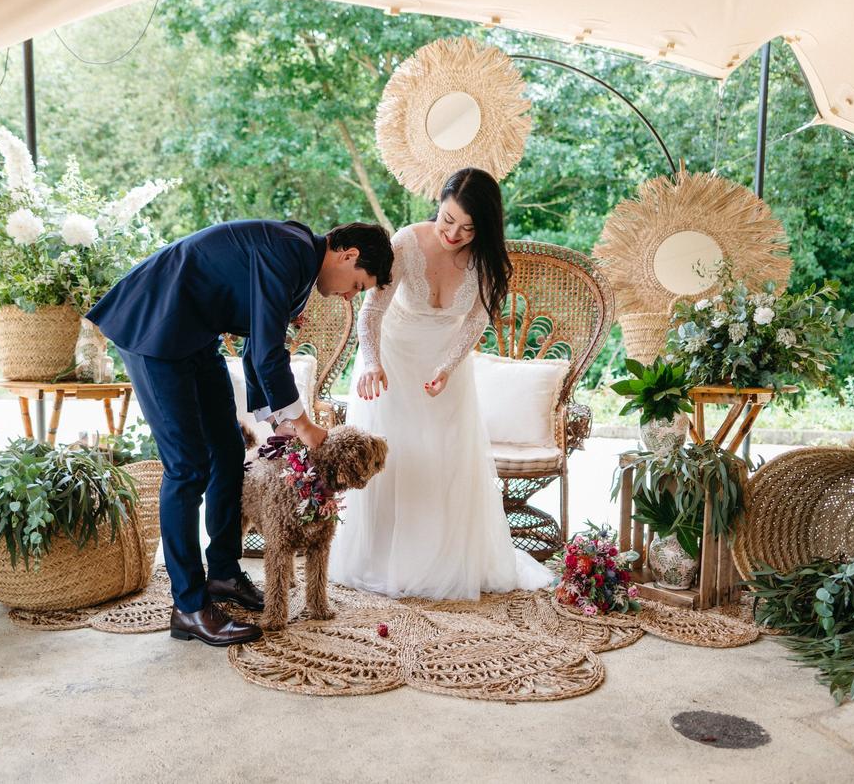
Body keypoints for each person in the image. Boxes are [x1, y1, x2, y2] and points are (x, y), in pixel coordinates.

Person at [88, 219, 394, 646]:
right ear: (349, 256)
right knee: (187, 468)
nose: (349, 295)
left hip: (194, 338)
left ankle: (225, 575)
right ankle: (189, 606)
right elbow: (268, 355)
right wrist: (305, 427)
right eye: (358, 285)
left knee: (229, 450)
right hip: (153, 324)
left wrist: (277, 421)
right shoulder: (289, 253)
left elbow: (256, 347)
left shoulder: (301, 264)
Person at [329, 168, 555, 599]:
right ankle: (382, 559)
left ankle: (438, 561)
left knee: (444, 460)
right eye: (447, 220)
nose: (453, 233)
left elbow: (476, 319)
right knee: (394, 460)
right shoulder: (406, 244)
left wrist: (448, 367)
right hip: (391, 363)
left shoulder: (485, 258)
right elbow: (371, 312)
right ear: (439, 204)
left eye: (467, 229)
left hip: (444, 369)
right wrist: (372, 364)